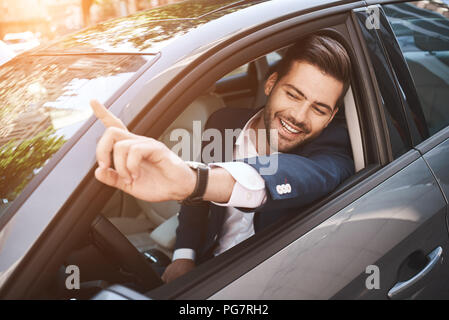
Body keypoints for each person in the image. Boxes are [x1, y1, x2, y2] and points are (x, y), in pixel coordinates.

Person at [92, 33, 354, 284]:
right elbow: (197, 202)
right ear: (271, 84)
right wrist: (184, 255)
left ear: (331, 117)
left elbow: (300, 174)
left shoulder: (335, 151)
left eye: (319, 109)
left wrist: (196, 181)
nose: (299, 116)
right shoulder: (223, 122)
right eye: (293, 95)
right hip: (209, 265)